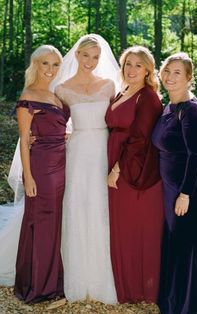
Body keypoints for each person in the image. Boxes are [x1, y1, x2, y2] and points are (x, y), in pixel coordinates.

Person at [152, 52, 197, 313]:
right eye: (167, 71)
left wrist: (186, 193)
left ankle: (189, 304)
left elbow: (196, 155)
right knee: (176, 239)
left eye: (177, 72)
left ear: (189, 78)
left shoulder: (193, 110)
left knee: (187, 239)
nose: (170, 76)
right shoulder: (169, 105)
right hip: (173, 184)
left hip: (190, 186)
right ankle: (174, 297)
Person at [54, 34, 118, 304]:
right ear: (77, 55)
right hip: (78, 152)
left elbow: (118, 119)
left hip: (103, 149)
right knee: (78, 206)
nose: (90, 61)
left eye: (95, 57)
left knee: (101, 205)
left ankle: (104, 275)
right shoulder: (62, 89)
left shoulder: (109, 85)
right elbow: (53, 122)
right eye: (86, 55)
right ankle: (79, 276)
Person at [105, 46, 164, 303]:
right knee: (120, 227)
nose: (132, 69)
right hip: (114, 160)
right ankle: (124, 285)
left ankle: (142, 289)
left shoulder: (148, 97)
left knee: (137, 228)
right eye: (128, 63)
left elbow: (140, 139)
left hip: (132, 170)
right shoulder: (123, 91)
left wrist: (117, 169)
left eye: (138, 65)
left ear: (148, 70)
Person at [14, 45, 70, 303]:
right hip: (42, 169)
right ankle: (38, 286)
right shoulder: (29, 96)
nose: (50, 69)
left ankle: (50, 280)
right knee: (43, 222)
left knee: (55, 222)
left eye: (55, 64)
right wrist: (29, 177)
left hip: (62, 166)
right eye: (45, 64)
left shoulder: (55, 95)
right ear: (35, 65)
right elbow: (25, 140)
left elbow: (57, 127)